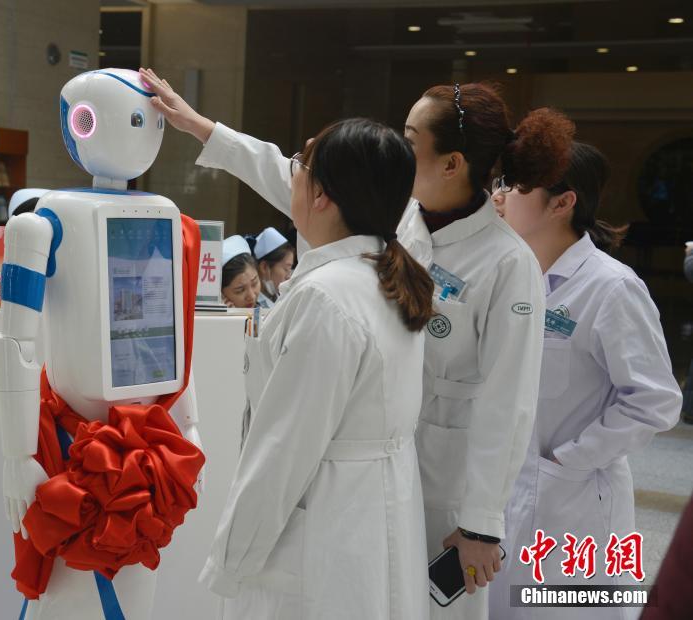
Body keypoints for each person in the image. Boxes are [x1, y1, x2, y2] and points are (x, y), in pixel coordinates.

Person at [140, 67, 549, 619]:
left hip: (443, 486)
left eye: (408, 142)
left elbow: (509, 403)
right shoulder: (395, 220)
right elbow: (292, 174)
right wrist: (201, 128)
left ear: (452, 164)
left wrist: (481, 523)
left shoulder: (506, 264)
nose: (398, 152)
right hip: (375, 467)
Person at [200, 118, 435, 619]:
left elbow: (283, 450)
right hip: (373, 509)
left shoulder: (327, 298)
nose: (291, 174)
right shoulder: (382, 275)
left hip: (327, 520)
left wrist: (229, 562)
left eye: (300, 164)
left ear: (324, 194)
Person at [489, 142, 681, 620]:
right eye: (501, 182)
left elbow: (654, 400)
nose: (500, 196)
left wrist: (568, 460)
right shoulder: (510, 275)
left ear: (562, 202)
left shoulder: (611, 288)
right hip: (502, 496)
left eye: (516, 186)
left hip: (572, 499)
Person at [252, 226, 295, 305]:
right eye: (286, 269)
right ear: (264, 267)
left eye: (290, 270)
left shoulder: (281, 298)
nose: (288, 277)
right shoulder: (250, 304)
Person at [221, 234, 262, 308]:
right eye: (240, 290)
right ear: (221, 294)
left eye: (254, 283)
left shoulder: (266, 315)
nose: (252, 296)